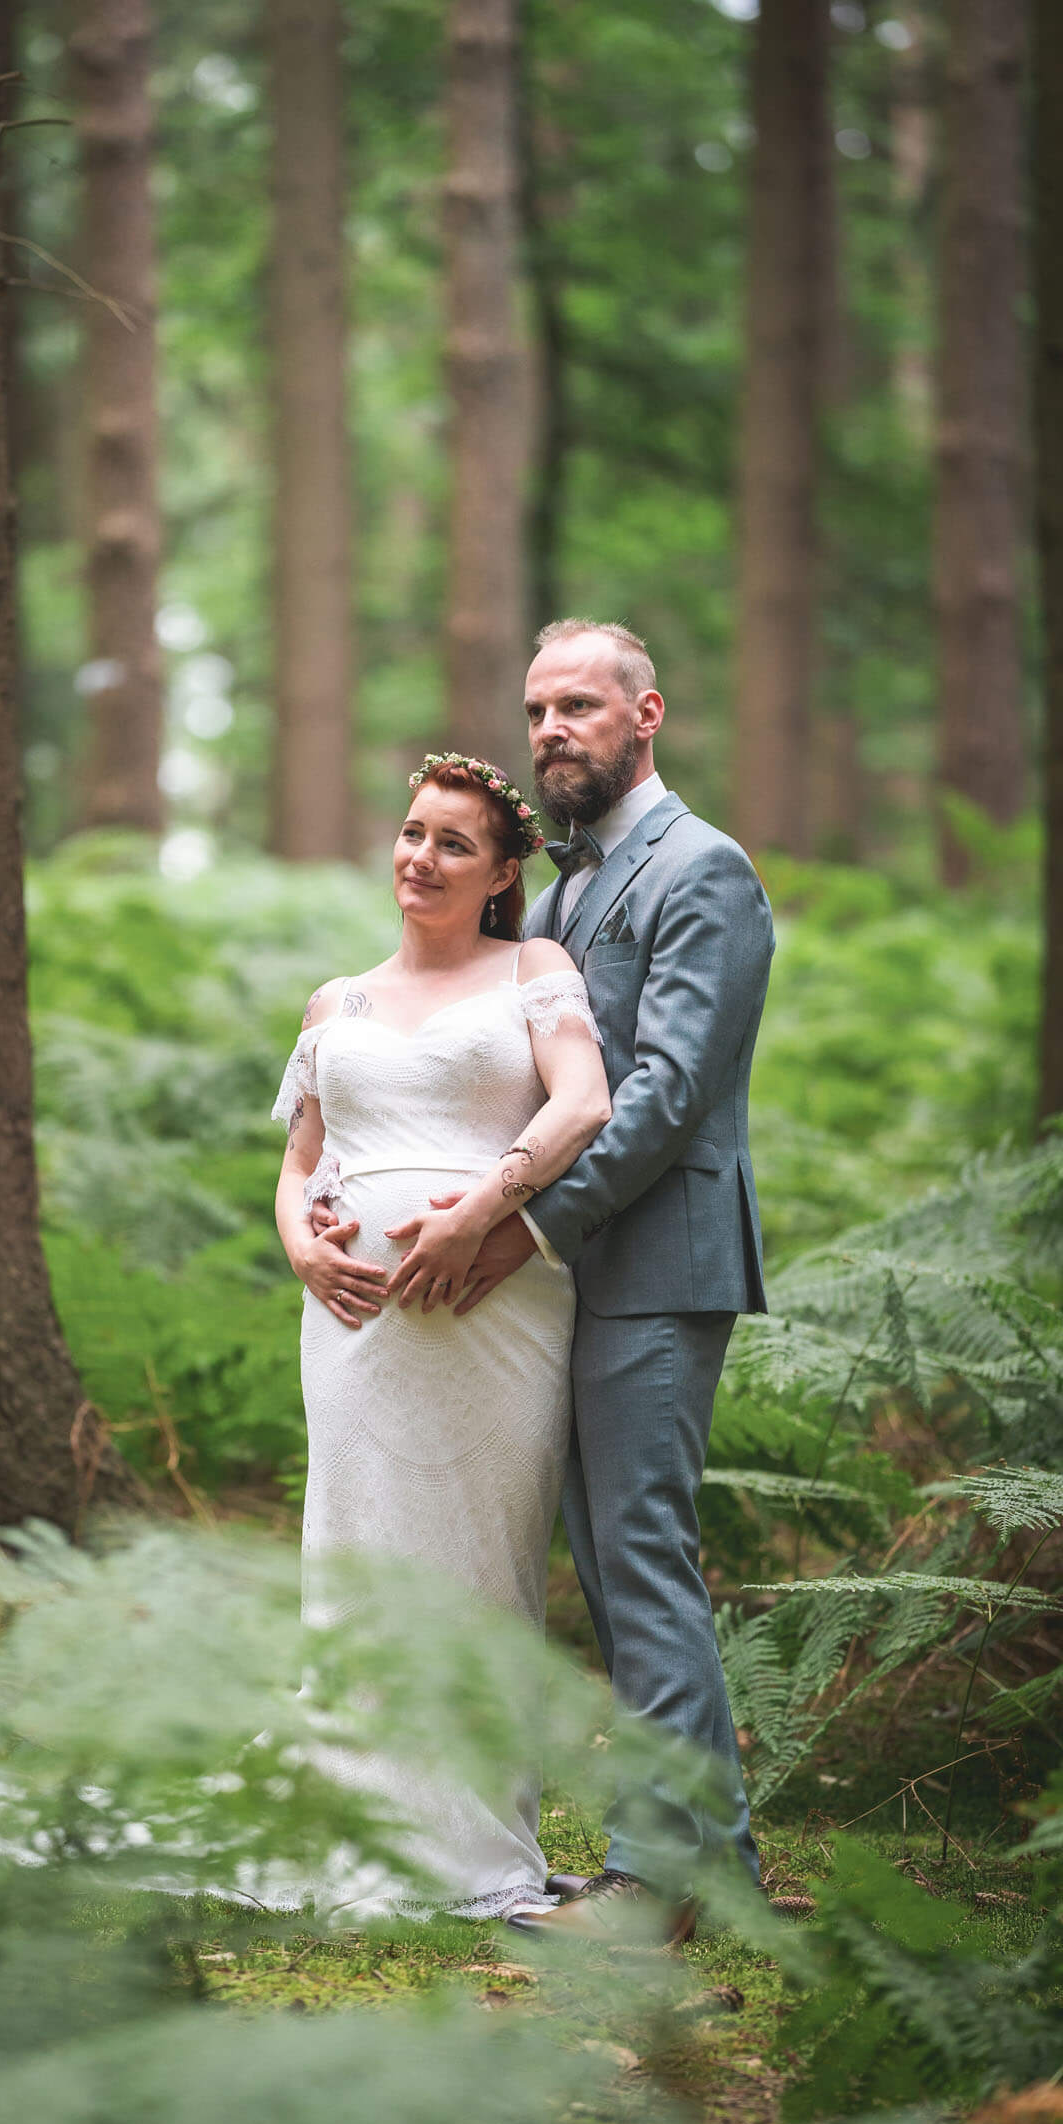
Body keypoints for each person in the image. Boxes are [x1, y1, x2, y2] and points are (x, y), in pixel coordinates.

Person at [408, 619, 774, 1945]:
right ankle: (713, 1876)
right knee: (616, 1575)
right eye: (538, 709)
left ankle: (652, 1884)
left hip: (657, 1268)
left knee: (642, 1565)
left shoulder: (704, 871)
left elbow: (669, 1094)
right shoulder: (559, 898)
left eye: (581, 706)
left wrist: (524, 1225)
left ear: (647, 715)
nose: (554, 728)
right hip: (569, 1283)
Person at [273, 753, 610, 1921]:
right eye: (413, 834)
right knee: (358, 1556)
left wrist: (480, 1212)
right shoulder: (337, 1003)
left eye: (453, 844)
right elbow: (301, 1159)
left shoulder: (535, 969)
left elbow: (584, 1103)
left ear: (503, 872)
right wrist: (302, 1246)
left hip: (494, 1312)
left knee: (482, 1557)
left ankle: (473, 1844)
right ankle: (359, 1828)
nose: (421, 858)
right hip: (354, 1330)